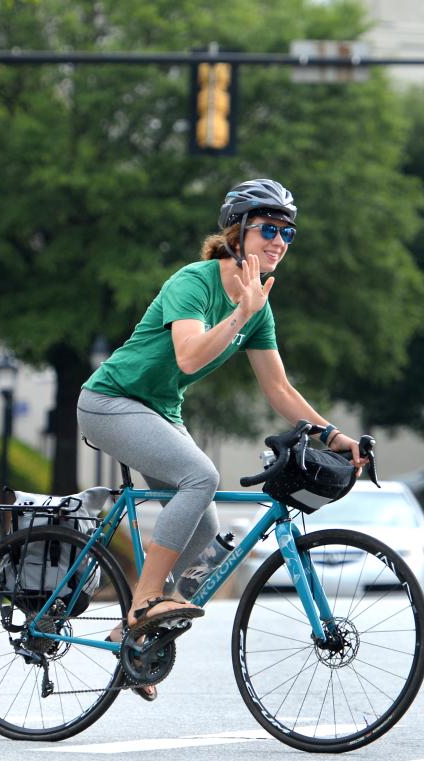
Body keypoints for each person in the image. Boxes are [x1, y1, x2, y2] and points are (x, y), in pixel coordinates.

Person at [78, 179, 365, 696]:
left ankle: (130, 637)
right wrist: (241, 313)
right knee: (200, 477)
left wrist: (332, 433)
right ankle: (145, 600)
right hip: (110, 402)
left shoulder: (260, 307)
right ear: (237, 234)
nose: (278, 241)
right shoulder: (195, 281)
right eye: (268, 229)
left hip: (160, 411)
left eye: (287, 233)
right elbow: (188, 355)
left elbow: (278, 388)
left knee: (205, 535)